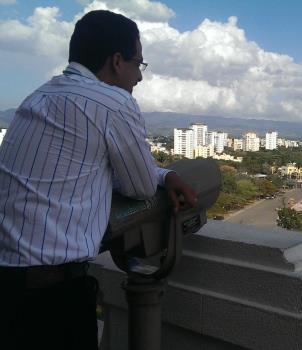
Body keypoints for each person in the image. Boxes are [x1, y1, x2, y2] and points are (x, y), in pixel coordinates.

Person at [0, 10, 195, 349]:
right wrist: (164, 177)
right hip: (50, 299)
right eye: (139, 64)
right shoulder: (113, 103)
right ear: (117, 61)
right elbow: (140, 187)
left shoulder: (38, 97)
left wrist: (164, 173)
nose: (140, 77)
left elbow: (79, 169)